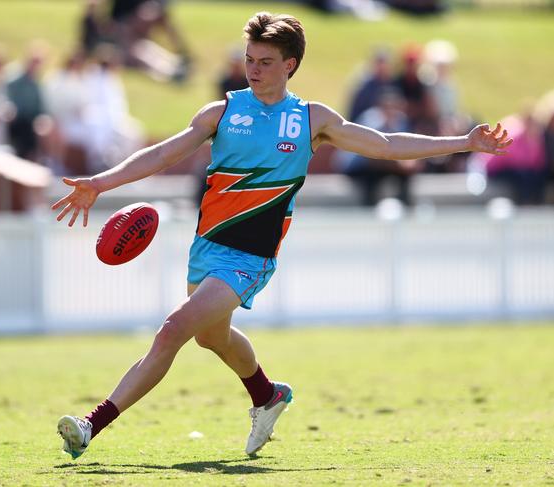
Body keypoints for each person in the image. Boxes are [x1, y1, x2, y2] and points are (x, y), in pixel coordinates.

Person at [52, 11, 512, 459]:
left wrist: (463, 143)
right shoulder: (223, 110)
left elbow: (387, 146)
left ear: (290, 65)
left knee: (173, 330)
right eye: (250, 59)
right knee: (212, 338)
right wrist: (100, 183)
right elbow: (161, 154)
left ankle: (91, 425)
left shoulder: (312, 119)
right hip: (207, 248)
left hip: (250, 257)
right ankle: (267, 395)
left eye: (265, 61)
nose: (254, 69)